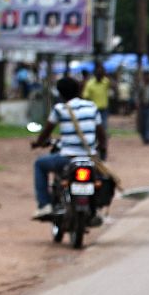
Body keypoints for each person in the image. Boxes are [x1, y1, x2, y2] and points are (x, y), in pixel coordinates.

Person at [28, 76, 107, 220]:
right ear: (79, 90)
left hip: (67, 158)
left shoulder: (60, 109)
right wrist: (102, 149)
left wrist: (38, 143)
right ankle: (97, 208)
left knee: (39, 164)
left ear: (60, 93)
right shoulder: (91, 107)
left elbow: (46, 132)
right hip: (90, 158)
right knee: (101, 177)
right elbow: (101, 134)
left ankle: (44, 205)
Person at [81, 63, 111, 131]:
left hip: (104, 108)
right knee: (94, 127)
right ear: (95, 74)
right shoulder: (90, 84)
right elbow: (85, 96)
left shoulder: (106, 82)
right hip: (94, 109)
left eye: (102, 73)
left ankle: (103, 136)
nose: (101, 75)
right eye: (99, 73)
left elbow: (111, 87)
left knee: (104, 126)